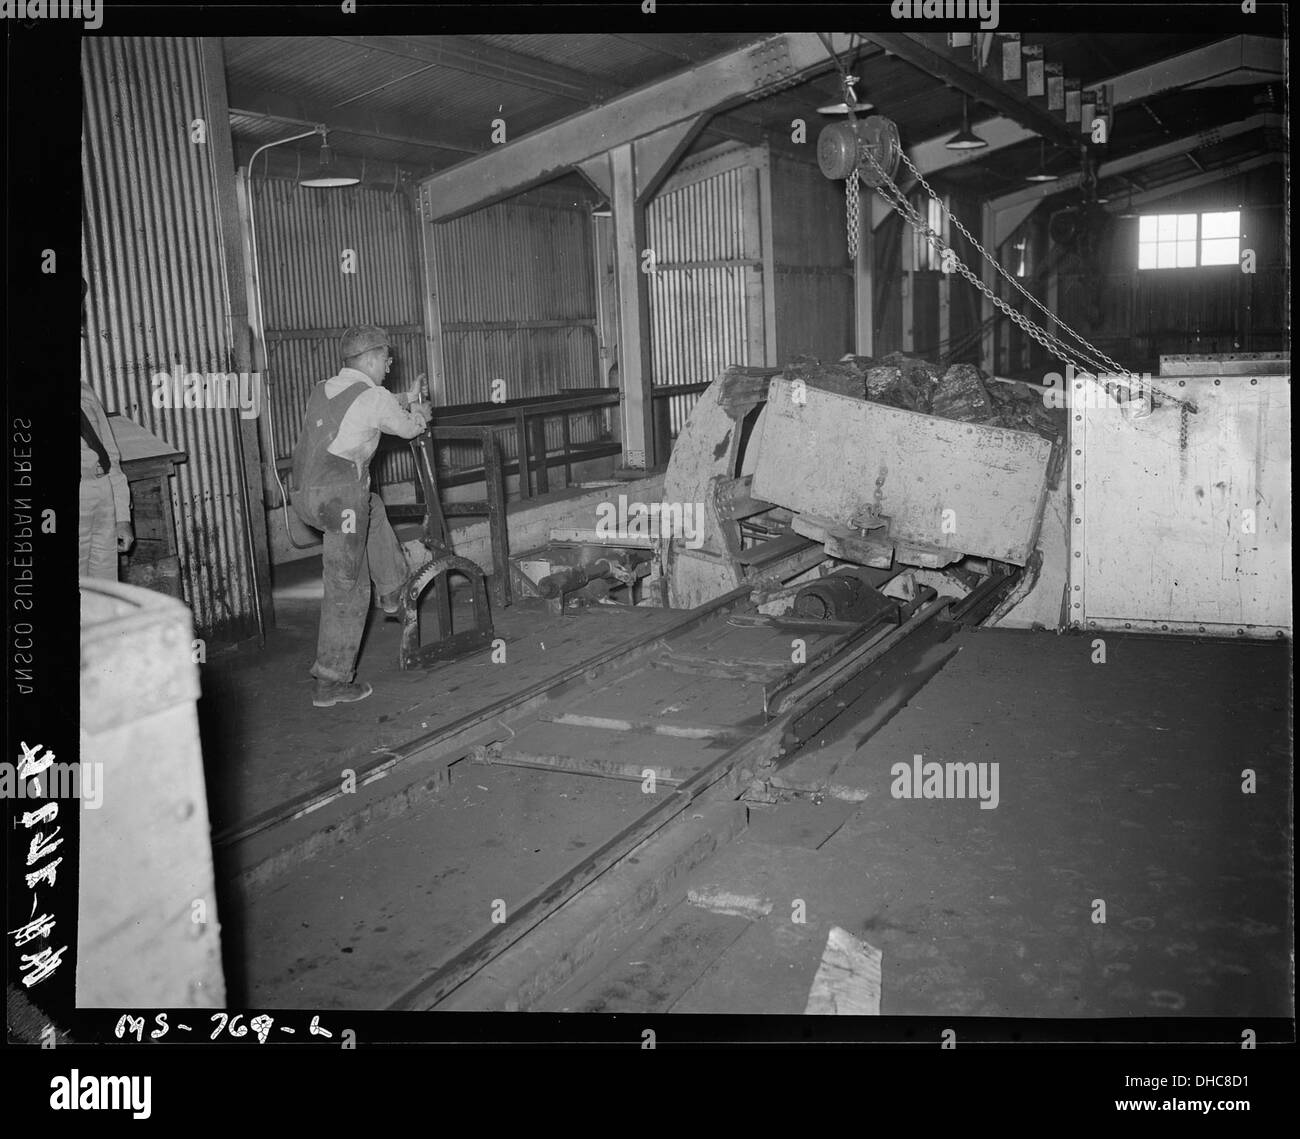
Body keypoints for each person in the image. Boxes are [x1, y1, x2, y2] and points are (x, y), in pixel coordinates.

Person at [291, 324, 431, 707]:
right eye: (385, 360)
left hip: (306, 497)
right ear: (370, 359)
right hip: (340, 501)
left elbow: (368, 405)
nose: (388, 367)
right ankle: (331, 682)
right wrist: (419, 412)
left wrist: (405, 395)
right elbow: (405, 428)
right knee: (348, 587)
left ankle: (393, 589)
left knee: (374, 506)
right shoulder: (376, 397)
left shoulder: (324, 388)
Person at [80, 277, 134, 579]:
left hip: (100, 496)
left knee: (104, 594)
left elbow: (110, 459)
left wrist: (122, 518)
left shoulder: (84, 392)